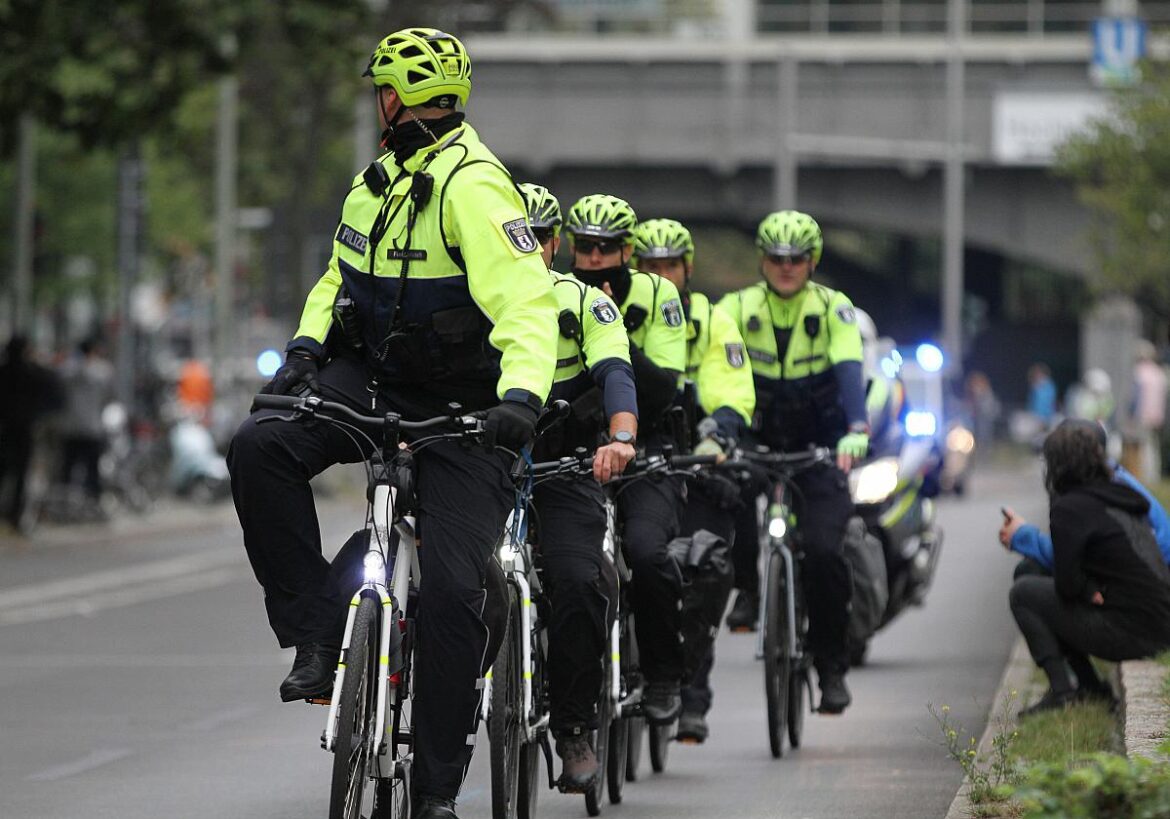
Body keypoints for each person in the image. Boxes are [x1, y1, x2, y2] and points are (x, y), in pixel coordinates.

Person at [226, 29, 559, 819]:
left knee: (450, 589)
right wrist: (305, 353)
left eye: (380, 90)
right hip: (373, 383)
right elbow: (339, 279)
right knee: (259, 447)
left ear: (396, 98)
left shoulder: (478, 188)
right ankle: (314, 633)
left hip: (465, 409)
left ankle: (438, 787)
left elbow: (527, 303)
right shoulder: (373, 184)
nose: (375, 103)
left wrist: (520, 398)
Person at [718, 210, 867, 715]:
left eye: (796, 259)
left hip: (819, 447)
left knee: (826, 553)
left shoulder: (833, 308)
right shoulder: (735, 307)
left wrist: (857, 430)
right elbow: (714, 373)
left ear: (813, 261)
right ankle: (747, 588)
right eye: (776, 258)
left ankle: (831, 667)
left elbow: (849, 367)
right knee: (730, 488)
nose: (786, 268)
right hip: (756, 439)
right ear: (762, 260)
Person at [517, 182, 637, 791]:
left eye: (540, 237)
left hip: (565, 472)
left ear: (554, 243)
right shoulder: (469, 293)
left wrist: (620, 435)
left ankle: (572, 730)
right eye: (518, 234)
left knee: (579, 581)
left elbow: (615, 370)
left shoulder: (588, 302)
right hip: (485, 471)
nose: (530, 247)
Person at [562, 194, 690, 724]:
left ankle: (663, 674)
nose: (594, 259)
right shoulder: (556, 292)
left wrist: (612, 332)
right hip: (574, 448)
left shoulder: (660, 295)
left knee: (647, 552)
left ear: (628, 250)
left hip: (648, 447)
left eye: (607, 248)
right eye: (586, 248)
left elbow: (662, 388)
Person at [629, 217, 754, 743]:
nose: (661, 275)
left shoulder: (711, 319)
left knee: (699, 568)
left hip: (694, 461)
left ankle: (693, 695)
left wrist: (715, 438)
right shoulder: (621, 311)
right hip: (633, 457)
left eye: (670, 266)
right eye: (650, 266)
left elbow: (730, 388)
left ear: (688, 269)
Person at [1002, 419, 1170, 716]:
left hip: (1133, 633)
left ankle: (1064, 691)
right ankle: (1091, 688)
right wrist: (1090, 587)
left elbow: (1066, 584)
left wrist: (1084, 587)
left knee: (1024, 592)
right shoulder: (1121, 493)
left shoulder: (1070, 508)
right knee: (1035, 575)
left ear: (1056, 466)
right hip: (1160, 622)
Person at [1001, 420, 1170, 576]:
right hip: (1145, 575)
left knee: (1029, 574)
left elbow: (1068, 556)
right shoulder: (1110, 477)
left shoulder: (1102, 492)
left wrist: (1022, 535)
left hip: (1147, 581)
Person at [0, 336, 63, 531]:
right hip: (25, 429)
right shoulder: (33, 373)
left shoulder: (4, 372)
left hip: (5, 428)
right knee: (20, 473)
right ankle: (14, 515)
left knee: (4, 470)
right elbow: (55, 395)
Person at [58, 339, 115, 508]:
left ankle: (64, 503)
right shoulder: (102, 370)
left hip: (70, 427)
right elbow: (109, 396)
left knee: (68, 468)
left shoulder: (68, 369)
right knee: (92, 470)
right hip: (92, 428)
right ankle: (93, 503)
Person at [1129, 340, 1167, 483]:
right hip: (1158, 414)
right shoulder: (1159, 373)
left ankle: (1146, 474)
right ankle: (1155, 473)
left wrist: (1131, 413)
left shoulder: (1139, 372)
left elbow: (1135, 396)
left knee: (1144, 445)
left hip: (1142, 413)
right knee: (1154, 444)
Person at [1027, 363, 1057, 431]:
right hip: (1036, 415)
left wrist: (1047, 415)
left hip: (1046, 415)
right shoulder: (1034, 387)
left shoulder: (1049, 386)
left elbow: (1050, 401)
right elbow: (1032, 402)